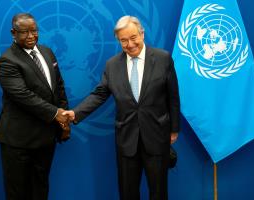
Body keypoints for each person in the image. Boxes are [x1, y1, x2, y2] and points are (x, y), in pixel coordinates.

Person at [63, 15, 180, 200]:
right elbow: (100, 94)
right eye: (123, 40)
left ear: (142, 34)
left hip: (157, 136)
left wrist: (174, 129)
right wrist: (75, 113)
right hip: (127, 139)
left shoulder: (163, 58)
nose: (130, 44)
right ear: (118, 41)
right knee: (127, 192)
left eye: (133, 38)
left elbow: (173, 96)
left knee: (158, 192)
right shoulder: (112, 65)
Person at [0, 13, 70, 200]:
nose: (31, 36)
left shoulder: (47, 52)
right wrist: (56, 114)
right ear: (13, 33)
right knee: (19, 193)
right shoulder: (6, 61)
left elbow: (58, 86)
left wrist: (64, 122)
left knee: (40, 188)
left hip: (46, 138)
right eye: (24, 32)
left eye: (34, 31)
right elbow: (23, 96)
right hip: (18, 142)